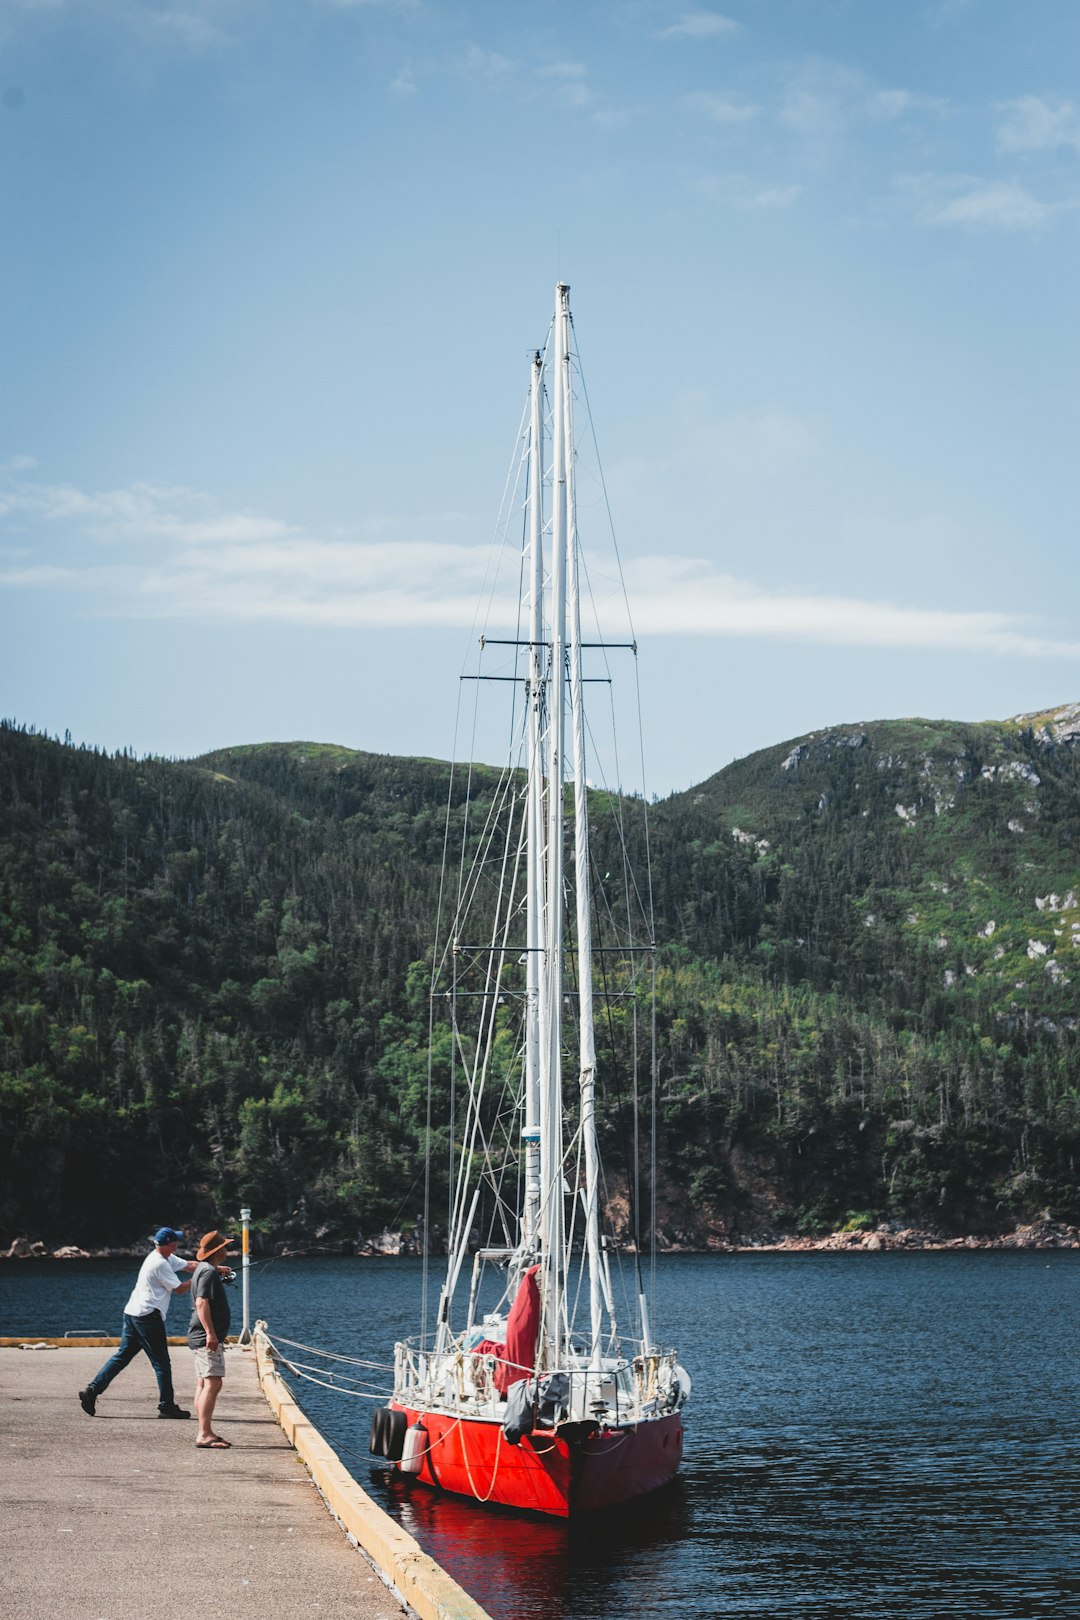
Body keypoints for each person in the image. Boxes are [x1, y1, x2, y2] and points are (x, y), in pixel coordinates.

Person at [78, 1227, 197, 1418]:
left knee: (122, 1356)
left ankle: (92, 1390)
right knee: (162, 1364)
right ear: (171, 1245)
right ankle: (166, 1406)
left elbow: (190, 1265)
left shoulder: (163, 1256)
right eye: (176, 1241)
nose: (178, 1243)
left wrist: (211, 1268)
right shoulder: (160, 1264)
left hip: (133, 1314)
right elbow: (181, 1289)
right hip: (147, 1317)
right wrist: (200, 1277)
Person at [187, 1229, 236, 1450]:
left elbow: (207, 1274)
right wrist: (211, 1333)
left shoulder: (205, 1269)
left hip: (198, 1336)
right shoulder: (207, 1272)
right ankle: (204, 1434)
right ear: (218, 1250)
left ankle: (204, 1430)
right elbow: (201, 1303)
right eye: (224, 1246)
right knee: (214, 1382)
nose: (227, 1249)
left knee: (204, 1382)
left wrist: (217, 1271)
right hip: (205, 1337)